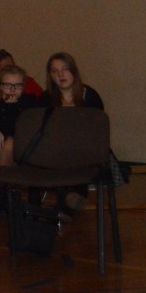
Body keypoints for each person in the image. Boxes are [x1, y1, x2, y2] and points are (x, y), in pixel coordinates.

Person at [44, 51, 104, 218]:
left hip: (86, 149)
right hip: (55, 150)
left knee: (74, 153)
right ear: (50, 76)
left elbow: (98, 130)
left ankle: (66, 204)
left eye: (65, 69)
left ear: (73, 71)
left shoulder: (90, 96)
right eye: (55, 71)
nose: (60, 75)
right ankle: (70, 200)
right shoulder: (45, 98)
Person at [0, 65, 42, 167]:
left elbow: (24, 127)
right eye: (8, 85)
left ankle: (2, 174)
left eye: (18, 85)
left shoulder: (30, 101)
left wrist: (4, 129)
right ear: (0, 86)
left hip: (23, 146)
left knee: (10, 141)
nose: (13, 90)